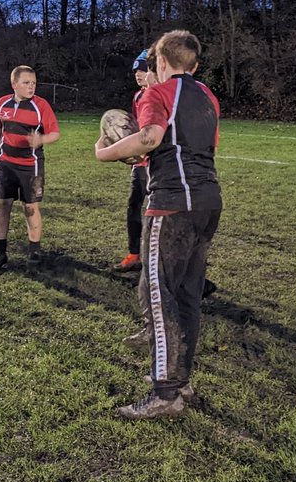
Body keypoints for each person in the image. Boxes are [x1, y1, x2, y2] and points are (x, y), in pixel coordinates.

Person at [95, 30, 221, 420]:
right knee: (187, 297)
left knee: (159, 295)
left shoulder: (158, 92)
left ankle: (165, 393)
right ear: (195, 65)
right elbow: (189, 148)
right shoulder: (208, 97)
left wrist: (105, 152)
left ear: (161, 62)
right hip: (208, 201)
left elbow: (149, 137)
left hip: (171, 206)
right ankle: (182, 382)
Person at [0, 65, 60, 270]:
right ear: (14, 84)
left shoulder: (41, 106)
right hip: (6, 164)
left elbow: (55, 133)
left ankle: (34, 251)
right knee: (3, 205)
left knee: (30, 207)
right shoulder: (3, 103)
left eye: (34, 83)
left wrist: (41, 139)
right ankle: (0, 252)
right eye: (26, 83)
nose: (31, 87)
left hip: (31, 166)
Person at [115, 50, 156, 272]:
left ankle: (156, 260)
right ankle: (134, 255)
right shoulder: (138, 96)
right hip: (139, 164)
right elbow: (135, 128)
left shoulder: (161, 95)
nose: (138, 75)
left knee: (157, 213)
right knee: (134, 206)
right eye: (135, 71)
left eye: (142, 69)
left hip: (157, 164)